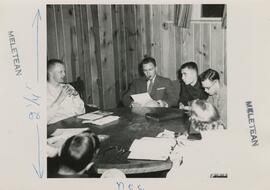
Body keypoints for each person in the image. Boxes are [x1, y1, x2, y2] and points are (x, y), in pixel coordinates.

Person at [47, 59, 85, 124]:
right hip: (57, 128)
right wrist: (60, 98)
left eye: (64, 71)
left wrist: (76, 96)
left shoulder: (67, 87)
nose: (64, 74)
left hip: (76, 124)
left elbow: (82, 112)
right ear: (50, 73)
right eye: (60, 72)